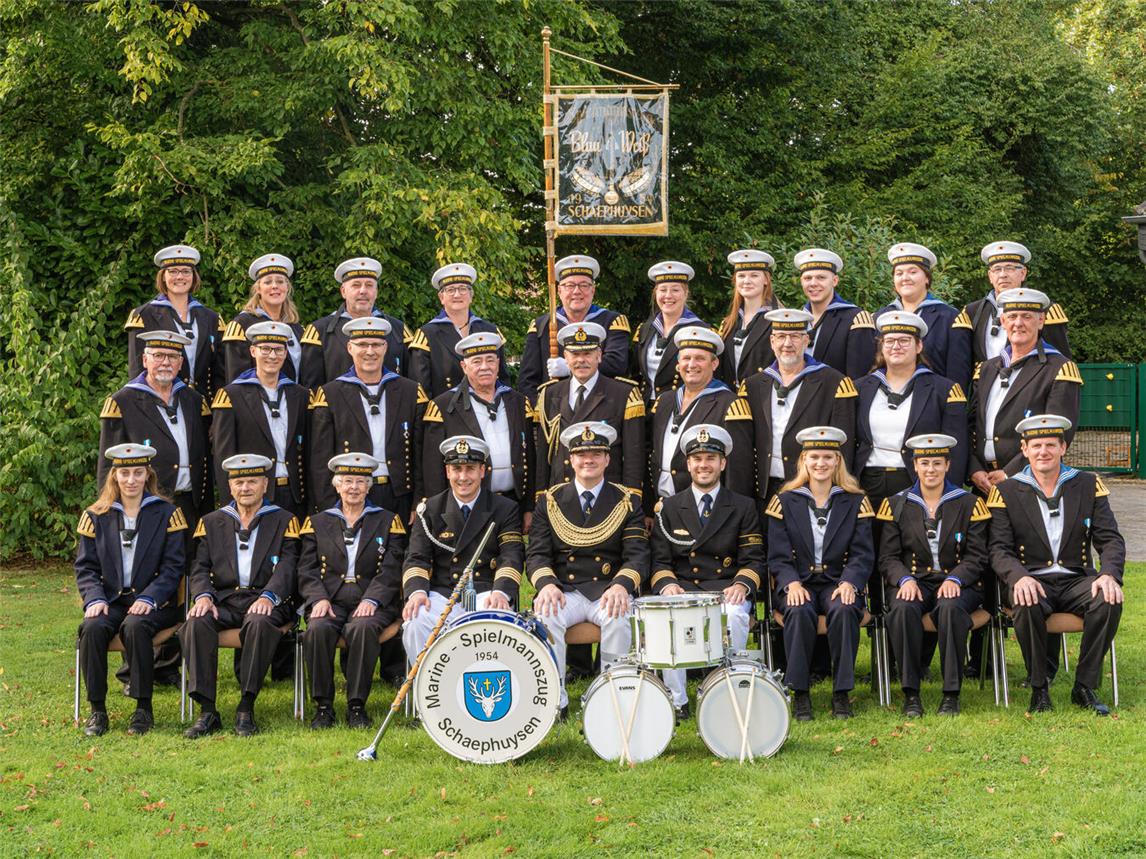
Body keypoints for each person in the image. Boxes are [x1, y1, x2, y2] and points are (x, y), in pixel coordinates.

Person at [988, 415, 1125, 715]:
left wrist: (1109, 575)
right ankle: (1039, 688)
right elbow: (998, 549)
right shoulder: (1007, 491)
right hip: (1033, 578)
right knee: (1026, 600)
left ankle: (1084, 686)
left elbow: (1111, 539)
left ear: (1063, 447)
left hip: (1076, 578)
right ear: (1024, 450)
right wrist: (1018, 577)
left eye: (1051, 444)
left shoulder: (1088, 484)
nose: (1043, 452)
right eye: (1036, 445)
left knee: (1108, 598)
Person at [527, 422, 650, 718]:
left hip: (606, 589)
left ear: (608, 459)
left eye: (596, 453)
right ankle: (555, 699)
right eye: (581, 454)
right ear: (570, 460)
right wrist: (546, 585)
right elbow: (537, 553)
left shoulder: (627, 501)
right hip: (564, 590)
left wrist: (621, 585)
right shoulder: (549, 501)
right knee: (545, 616)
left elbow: (637, 555)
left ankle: (612, 695)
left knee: (619, 617)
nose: (588, 460)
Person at [649, 425, 765, 717]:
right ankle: (678, 701)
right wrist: (667, 585)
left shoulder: (742, 506)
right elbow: (660, 562)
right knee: (667, 617)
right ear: (688, 464)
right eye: (697, 459)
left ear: (722, 463)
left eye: (711, 459)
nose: (704, 465)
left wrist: (741, 585)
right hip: (685, 588)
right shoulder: (670, 507)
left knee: (737, 615)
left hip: (725, 587)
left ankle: (728, 691)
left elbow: (753, 559)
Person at [181, 454, 300, 738]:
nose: (245, 487)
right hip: (224, 600)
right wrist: (203, 597)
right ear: (230, 486)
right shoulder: (211, 522)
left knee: (259, 623)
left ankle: (246, 706)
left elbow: (288, 566)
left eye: (252, 481)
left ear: (264, 485)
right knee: (196, 624)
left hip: (269, 600)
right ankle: (207, 711)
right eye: (239, 482)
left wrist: (270, 596)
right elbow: (199, 567)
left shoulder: (285, 520)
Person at [74, 444, 186, 736]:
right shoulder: (96, 515)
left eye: (138, 472)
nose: (131, 480)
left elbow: (175, 567)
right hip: (111, 600)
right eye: (125, 473)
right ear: (115, 476)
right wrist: (95, 599)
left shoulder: (167, 513)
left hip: (155, 603)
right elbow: (85, 567)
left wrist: (150, 597)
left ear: (147, 475)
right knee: (92, 628)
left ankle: (143, 708)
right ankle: (97, 710)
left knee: (136, 626)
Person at [766, 426, 875, 720]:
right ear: (804, 460)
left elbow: (863, 553)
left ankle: (841, 694)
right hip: (799, 582)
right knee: (799, 610)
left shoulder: (855, 501)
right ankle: (799, 694)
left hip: (837, 582)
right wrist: (790, 584)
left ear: (837, 461)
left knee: (843, 608)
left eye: (828, 457)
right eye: (815, 457)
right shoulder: (784, 501)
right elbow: (777, 555)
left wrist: (851, 582)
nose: (821, 463)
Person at [878, 434, 990, 717]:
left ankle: (951, 694)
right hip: (914, 581)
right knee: (902, 609)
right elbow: (888, 557)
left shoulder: (969, 503)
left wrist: (956, 579)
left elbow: (978, 556)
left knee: (951, 609)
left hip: (958, 582)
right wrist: (904, 579)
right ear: (914, 466)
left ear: (947, 465)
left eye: (937, 463)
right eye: (924, 463)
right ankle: (911, 693)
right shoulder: (896, 504)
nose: (931, 469)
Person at [298, 453, 406, 729]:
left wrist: (373, 598)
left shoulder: (388, 520)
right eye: (347, 481)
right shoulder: (317, 522)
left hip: (372, 601)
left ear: (369, 486)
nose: (354, 487)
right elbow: (307, 569)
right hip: (330, 600)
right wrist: (317, 598)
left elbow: (393, 569)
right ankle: (323, 707)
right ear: (337, 485)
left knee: (362, 627)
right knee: (318, 629)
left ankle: (356, 706)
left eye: (360, 481)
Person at [724, 309, 858, 514]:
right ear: (771, 341)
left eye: (795, 336)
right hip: (763, 492)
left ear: (806, 341)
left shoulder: (834, 383)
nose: (787, 344)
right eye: (781, 337)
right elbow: (743, 448)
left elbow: (844, 450)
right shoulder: (752, 385)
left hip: (812, 492)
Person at [401, 436, 525, 657]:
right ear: (447, 472)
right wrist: (417, 592)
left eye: (470, 469)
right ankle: (426, 687)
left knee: (497, 618)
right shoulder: (429, 508)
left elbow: (511, 555)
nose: (463, 477)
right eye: (456, 469)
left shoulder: (504, 508)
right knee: (416, 620)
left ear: (482, 471)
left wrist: (501, 592)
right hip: (443, 593)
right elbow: (416, 557)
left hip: (486, 591)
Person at [307, 316, 427, 519]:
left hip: (400, 496)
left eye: (376, 345)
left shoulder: (411, 391)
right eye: (362, 344)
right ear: (349, 348)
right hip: (351, 496)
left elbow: (420, 452)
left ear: (386, 347)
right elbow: (320, 460)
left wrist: (418, 501)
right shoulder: (330, 394)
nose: (370, 351)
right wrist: (331, 507)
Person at [99, 330, 213, 539]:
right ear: (145, 359)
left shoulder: (194, 401)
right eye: (158, 355)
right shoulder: (122, 402)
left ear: (180, 364)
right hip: (145, 505)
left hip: (191, 504)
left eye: (172, 357)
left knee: (191, 566)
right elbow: (108, 466)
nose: (165, 362)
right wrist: (109, 512)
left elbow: (205, 457)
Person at [854, 311, 969, 516]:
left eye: (904, 341)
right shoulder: (860, 388)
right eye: (889, 341)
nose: (896, 346)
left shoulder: (943, 390)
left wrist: (949, 496)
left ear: (919, 346)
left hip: (917, 482)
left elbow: (957, 449)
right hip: (866, 483)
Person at [968, 288, 1082, 493]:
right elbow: (971, 425)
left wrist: (1008, 473)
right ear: (1003, 322)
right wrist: (974, 469)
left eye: (1026, 317)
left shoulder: (1059, 369)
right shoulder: (986, 369)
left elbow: (1057, 432)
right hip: (983, 483)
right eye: (1012, 316)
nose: (1018, 323)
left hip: (1030, 483)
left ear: (1041, 321)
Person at [422, 332, 534, 519]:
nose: (485, 367)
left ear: (498, 364)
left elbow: (530, 456)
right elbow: (433, 468)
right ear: (464, 367)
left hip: (514, 503)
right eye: (476, 361)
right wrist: (440, 512)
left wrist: (529, 506)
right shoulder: (442, 406)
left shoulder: (518, 402)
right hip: (467, 505)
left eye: (490, 360)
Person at [532, 322, 645, 499]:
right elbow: (541, 456)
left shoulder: (623, 394)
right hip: (560, 496)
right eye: (575, 354)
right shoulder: (548, 394)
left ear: (599, 355)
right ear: (565, 357)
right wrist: (540, 496)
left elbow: (633, 456)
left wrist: (633, 498)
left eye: (587, 354)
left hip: (608, 497)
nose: (581, 360)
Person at [212, 322, 309, 517]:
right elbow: (223, 455)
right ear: (253, 351)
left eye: (278, 350)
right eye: (265, 349)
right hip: (253, 498)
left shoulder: (300, 395)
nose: (272, 356)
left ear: (285, 353)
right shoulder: (231, 396)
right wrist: (230, 506)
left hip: (297, 496)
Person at [647, 326, 741, 514]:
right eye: (686, 358)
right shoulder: (664, 400)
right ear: (677, 363)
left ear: (714, 364)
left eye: (700, 358)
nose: (692, 364)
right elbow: (650, 452)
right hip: (659, 505)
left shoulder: (729, 404)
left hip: (704, 508)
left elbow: (738, 469)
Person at [518, 254, 631, 403]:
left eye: (584, 285)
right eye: (570, 286)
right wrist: (540, 412)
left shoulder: (612, 321)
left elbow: (618, 365)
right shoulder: (541, 326)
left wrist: (569, 367)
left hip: (602, 404)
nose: (577, 291)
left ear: (593, 290)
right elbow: (527, 380)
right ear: (559, 291)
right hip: (555, 408)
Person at [126, 244, 225, 402]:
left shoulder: (211, 318)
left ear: (194, 276)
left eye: (186, 271)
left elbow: (220, 373)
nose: (180, 277)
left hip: (205, 408)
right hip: (162, 403)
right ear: (163, 276)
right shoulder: (144, 315)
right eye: (173, 271)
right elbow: (137, 371)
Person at [300, 256, 412, 387]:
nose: (363, 291)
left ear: (376, 292)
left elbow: (411, 386)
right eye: (356, 285)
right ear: (343, 291)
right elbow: (312, 390)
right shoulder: (319, 332)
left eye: (369, 285)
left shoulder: (399, 331)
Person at [875, 243, 971, 389]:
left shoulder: (950, 318)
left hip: (933, 404)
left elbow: (958, 376)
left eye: (913, 272)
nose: (905, 278)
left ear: (927, 278)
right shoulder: (878, 318)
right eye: (899, 273)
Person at [955, 241, 1070, 364]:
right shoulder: (972, 311)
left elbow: (1060, 361)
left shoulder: (1045, 310)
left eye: (1009, 268)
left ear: (1023, 273)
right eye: (997, 269)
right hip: (984, 382)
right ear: (990, 276)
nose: (1003, 275)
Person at [408, 262, 509, 398]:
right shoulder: (428, 335)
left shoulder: (490, 331)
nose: (457, 295)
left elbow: (503, 380)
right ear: (441, 298)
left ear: (471, 295)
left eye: (463, 289)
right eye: (450, 290)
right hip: (446, 414)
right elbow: (421, 391)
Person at [221, 254, 305, 382]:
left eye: (280, 281)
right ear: (258, 289)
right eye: (268, 282)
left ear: (287, 288)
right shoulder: (241, 325)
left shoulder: (297, 329)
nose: (274, 286)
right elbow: (236, 381)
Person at [633, 261, 709, 403]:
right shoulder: (645, 329)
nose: (668, 296)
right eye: (663, 290)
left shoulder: (699, 331)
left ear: (686, 294)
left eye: (675, 290)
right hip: (644, 407)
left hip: (680, 405)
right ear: (656, 293)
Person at [794, 248, 875, 379]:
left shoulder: (855, 319)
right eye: (808, 278)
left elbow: (859, 379)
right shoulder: (796, 320)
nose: (813, 283)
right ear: (801, 281)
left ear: (835, 281)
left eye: (821, 277)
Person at [717, 249, 781, 386]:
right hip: (731, 402)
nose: (746, 281)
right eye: (741, 276)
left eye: (754, 275)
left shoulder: (778, 320)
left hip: (763, 401)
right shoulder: (728, 323)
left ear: (766, 280)